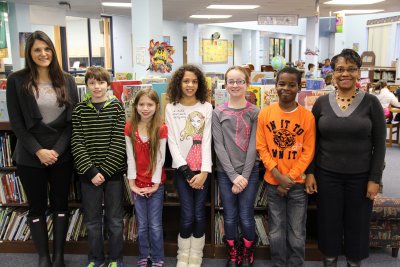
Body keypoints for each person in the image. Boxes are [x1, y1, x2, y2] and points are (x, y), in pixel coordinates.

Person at [305, 49, 386, 267]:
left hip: (361, 177)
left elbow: (380, 144)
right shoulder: (321, 103)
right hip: (326, 175)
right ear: (332, 73)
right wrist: (310, 172)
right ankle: (329, 261)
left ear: (359, 72)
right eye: (340, 69)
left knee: (357, 225)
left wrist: (374, 179)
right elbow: (313, 141)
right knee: (328, 223)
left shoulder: (371, 103)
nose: (345, 74)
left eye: (351, 69)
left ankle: (354, 262)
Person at [6, 30, 78, 267]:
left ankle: (58, 257)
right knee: (36, 206)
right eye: (37, 49)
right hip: (30, 155)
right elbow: (17, 123)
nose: (43, 53)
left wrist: (56, 151)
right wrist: (39, 151)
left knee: (60, 205)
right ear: (30, 53)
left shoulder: (66, 79)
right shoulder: (16, 80)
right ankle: (43, 258)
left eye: (47, 49)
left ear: (53, 51)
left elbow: (72, 121)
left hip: (61, 155)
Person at [256, 67, 316, 267]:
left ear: (299, 86)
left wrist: (288, 179)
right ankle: (279, 263)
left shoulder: (307, 117)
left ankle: (296, 264)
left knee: (297, 230)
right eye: (282, 83)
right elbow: (262, 147)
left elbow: (308, 151)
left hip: (297, 184)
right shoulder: (265, 114)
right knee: (276, 229)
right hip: (273, 182)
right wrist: (276, 174)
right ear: (275, 86)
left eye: (291, 84)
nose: (286, 88)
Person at [71, 66, 126, 267]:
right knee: (93, 221)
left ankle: (115, 259)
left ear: (108, 85)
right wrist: (92, 171)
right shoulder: (79, 110)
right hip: (89, 175)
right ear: (86, 85)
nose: (97, 87)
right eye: (92, 83)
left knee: (114, 220)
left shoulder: (116, 107)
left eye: (101, 82)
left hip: (112, 175)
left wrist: (104, 171)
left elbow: (119, 142)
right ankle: (95, 258)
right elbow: (77, 142)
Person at [165, 64, 212, 267]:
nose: (190, 85)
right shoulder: (171, 107)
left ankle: (196, 256)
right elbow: (172, 141)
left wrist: (204, 171)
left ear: (199, 83)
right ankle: (183, 255)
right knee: (186, 213)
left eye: (194, 81)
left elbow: (208, 140)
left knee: (199, 212)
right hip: (182, 170)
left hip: (202, 171)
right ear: (179, 83)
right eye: (186, 81)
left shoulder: (206, 107)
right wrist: (184, 170)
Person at [212, 66, 260, 266]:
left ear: (247, 84)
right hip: (226, 173)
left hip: (250, 172)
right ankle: (233, 252)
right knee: (229, 215)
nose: (235, 85)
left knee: (246, 215)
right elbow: (219, 146)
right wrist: (233, 176)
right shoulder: (218, 112)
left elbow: (253, 147)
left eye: (239, 81)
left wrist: (244, 177)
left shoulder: (255, 112)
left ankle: (248, 250)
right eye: (231, 81)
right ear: (225, 84)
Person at [125, 88, 168, 267]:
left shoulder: (161, 128)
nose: (145, 108)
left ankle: (157, 257)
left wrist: (155, 184)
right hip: (138, 185)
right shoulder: (130, 127)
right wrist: (132, 184)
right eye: (141, 104)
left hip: (156, 185)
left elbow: (160, 159)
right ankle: (144, 255)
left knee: (155, 225)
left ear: (156, 106)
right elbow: (130, 158)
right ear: (135, 107)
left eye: (149, 104)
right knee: (142, 225)